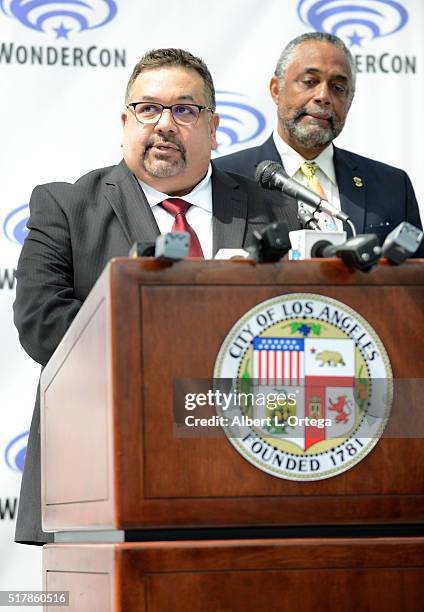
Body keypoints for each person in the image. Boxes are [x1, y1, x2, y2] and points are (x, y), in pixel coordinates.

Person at [13, 48, 299, 545]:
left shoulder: (272, 208)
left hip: (245, 473)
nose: (165, 123)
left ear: (214, 130)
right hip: (103, 475)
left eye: (185, 110)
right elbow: (42, 325)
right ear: (125, 123)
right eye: (149, 108)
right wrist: (166, 362)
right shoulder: (65, 205)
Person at [214, 32, 423, 241]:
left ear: (349, 101)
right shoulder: (222, 178)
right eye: (309, 81)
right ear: (276, 90)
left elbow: (413, 272)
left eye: (338, 88)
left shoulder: (393, 186)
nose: (323, 96)